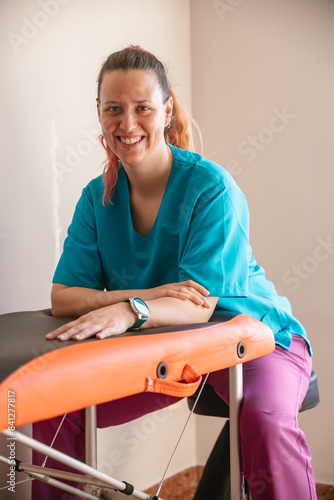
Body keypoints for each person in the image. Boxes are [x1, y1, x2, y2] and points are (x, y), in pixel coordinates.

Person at [33, 46, 316, 499]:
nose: (127, 124)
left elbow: (199, 307)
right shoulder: (96, 198)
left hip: (255, 337)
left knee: (265, 422)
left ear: (165, 111)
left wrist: (131, 308)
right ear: (100, 115)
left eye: (143, 108)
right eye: (114, 109)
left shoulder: (211, 188)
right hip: (167, 344)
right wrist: (142, 298)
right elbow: (65, 295)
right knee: (52, 407)